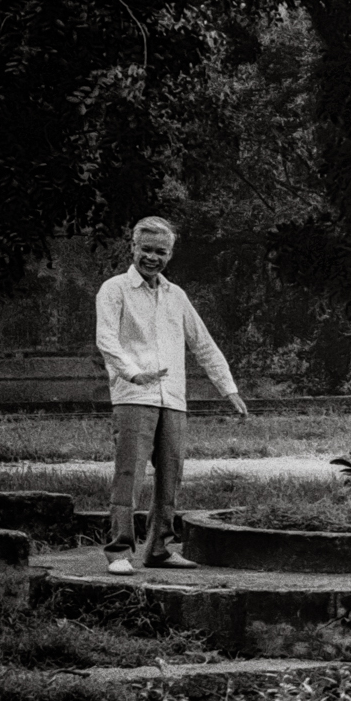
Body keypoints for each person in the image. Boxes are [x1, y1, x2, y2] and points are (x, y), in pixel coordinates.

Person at [95, 216, 248, 576]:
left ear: (170, 254)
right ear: (133, 247)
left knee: (171, 474)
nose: (152, 257)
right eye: (145, 249)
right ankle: (119, 550)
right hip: (133, 395)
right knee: (129, 473)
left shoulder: (175, 295)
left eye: (160, 252)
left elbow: (203, 343)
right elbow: (106, 339)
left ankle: (159, 548)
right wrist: (133, 371)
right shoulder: (114, 289)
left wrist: (229, 389)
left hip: (173, 398)